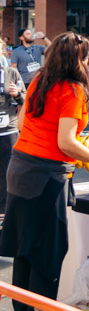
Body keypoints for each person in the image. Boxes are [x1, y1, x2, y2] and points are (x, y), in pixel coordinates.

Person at [0, 33, 89, 311]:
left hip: (20, 168)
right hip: (45, 178)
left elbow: (24, 123)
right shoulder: (72, 90)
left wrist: (76, 141)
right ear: (81, 59)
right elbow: (65, 142)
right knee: (46, 255)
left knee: (24, 251)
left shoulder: (40, 78)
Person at [0, 48, 26, 215]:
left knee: (9, 171)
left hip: (8, 131)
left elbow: (25, 98)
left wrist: (17, 95)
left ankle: (6, 208)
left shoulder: (12, 73)